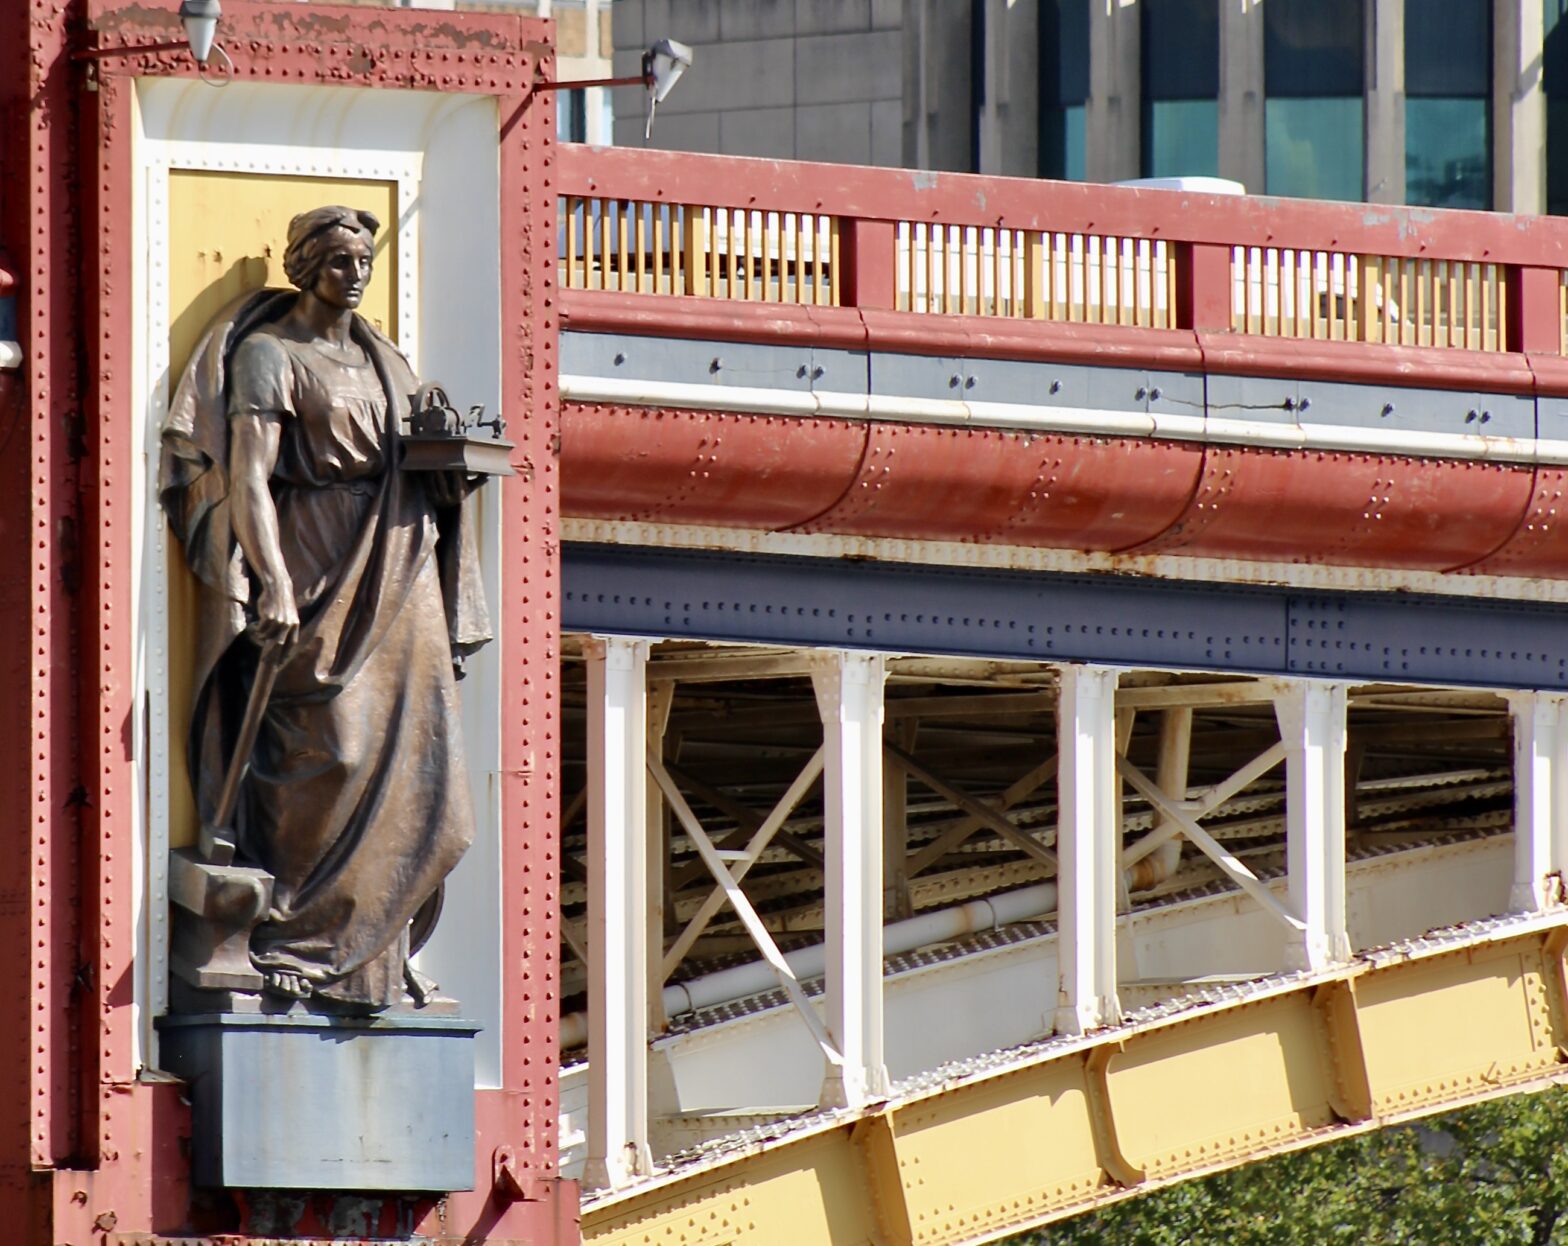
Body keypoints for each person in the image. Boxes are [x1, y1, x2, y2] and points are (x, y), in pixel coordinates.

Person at [160, 206, 491, 1009]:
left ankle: (379, 947)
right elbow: (248, 479)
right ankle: (292, 933)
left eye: (365, 258)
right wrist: (269, 577)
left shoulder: (389, 363)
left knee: (425, 758)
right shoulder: (272, 357)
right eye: (340, 259)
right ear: (306, 267)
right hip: (312, 550)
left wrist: (454, 475)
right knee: (331, 745)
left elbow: (417, 461)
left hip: (398, 556)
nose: (357, 273)